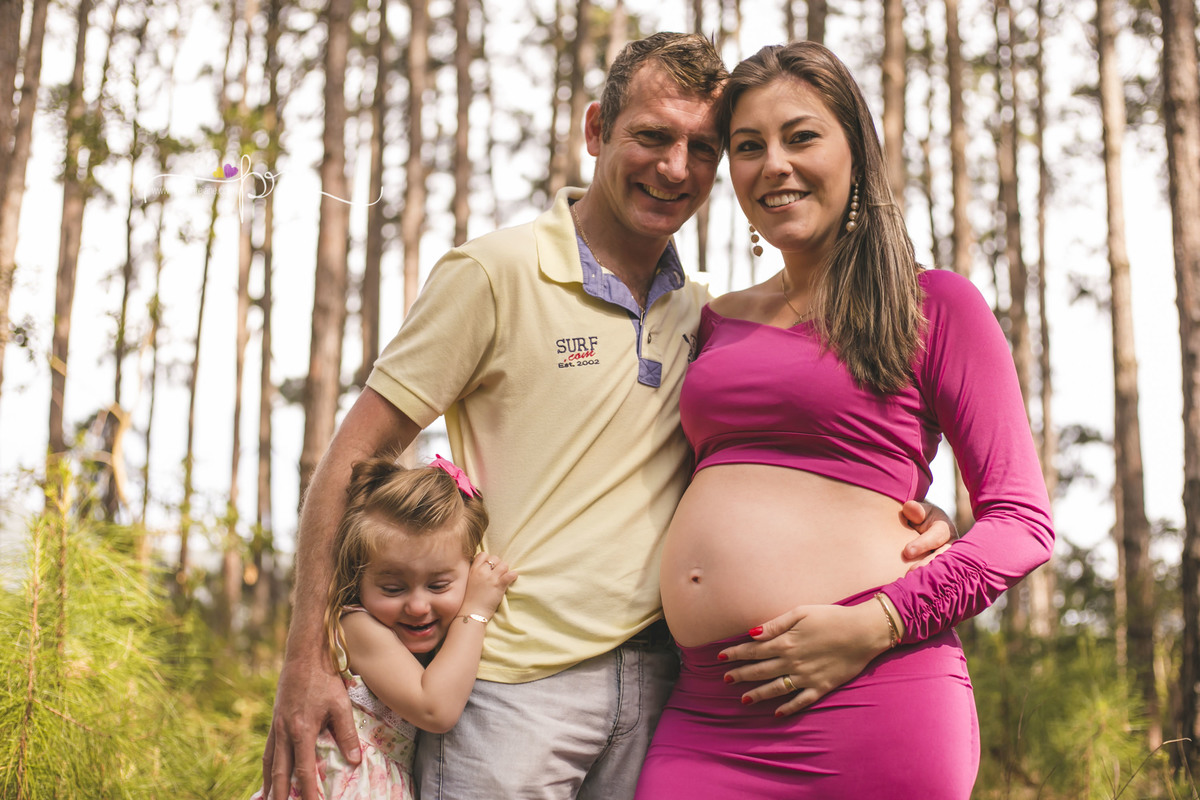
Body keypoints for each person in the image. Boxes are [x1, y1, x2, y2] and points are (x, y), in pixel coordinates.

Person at [262, 33, 955, 800]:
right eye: (652, 136)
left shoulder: (708, 320)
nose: (674, 168)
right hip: (513, 693)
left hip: (668, 695)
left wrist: (905, 522)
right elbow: (354, 458)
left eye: (701, 148)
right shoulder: (493, 274)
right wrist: (308, 658)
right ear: (597, 130)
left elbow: (776, 456)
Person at [635, 42, 1055, 799]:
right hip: (707, 713)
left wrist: (878, 624)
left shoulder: (935, 305)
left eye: (801, 136)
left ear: (855, 150)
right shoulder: (713, 320)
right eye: (748, 146)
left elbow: (1022, 521)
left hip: (872, 695)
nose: (774, 165)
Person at [254, 454, 515, 799]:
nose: (418, 606)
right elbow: (435, 708)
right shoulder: (357, 626)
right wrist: (475, 611)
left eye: (438, 586)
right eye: (392, 589)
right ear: (359, 578)